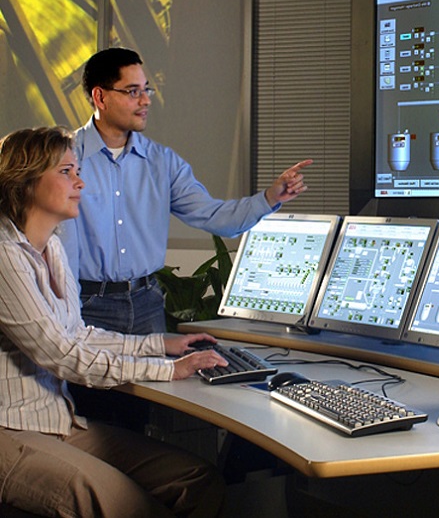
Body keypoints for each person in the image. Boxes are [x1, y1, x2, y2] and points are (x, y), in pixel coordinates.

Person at [0, 126, 230, 517]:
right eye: (66, 172)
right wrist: (168, 370)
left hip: (58, 422)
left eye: (78, 171)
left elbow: (76, 334)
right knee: (127, 505)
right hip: (11, 433)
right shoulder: (6, 256)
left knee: (197, 478)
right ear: (26, 181)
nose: (80, 182)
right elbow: (62, 355)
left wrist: (160, 345)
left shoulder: (52, 247)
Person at [59, 47, 313, 335]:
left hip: (147, 305)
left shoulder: (162, 162)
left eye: (146, 90)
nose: (145, 100)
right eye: (133, 92)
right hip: (85, 305)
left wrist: (269, 198)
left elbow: (213, 216)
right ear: (100, 97)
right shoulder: (63, 159)